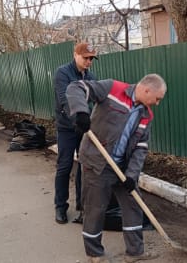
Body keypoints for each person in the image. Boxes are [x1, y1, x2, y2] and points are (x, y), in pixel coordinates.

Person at [66, 74, 167, 263]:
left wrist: (131, 176)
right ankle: (95, 254)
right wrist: (81, 112)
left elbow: (140, 149)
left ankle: (135, 252)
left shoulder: (146, 115)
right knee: (95, 209)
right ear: (147, 90)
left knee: (133, 206)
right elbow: (77, 87)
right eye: (157, 98)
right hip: (97, 162)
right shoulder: (112, 89)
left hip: (122, 168)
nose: (157, 103)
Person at [53, 42, 97, 224]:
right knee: (64, 166)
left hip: (84, 127)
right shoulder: (62, 73)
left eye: (91, 58)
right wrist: (77, 120)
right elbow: (65, 100)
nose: (88, 61)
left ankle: (82, 206)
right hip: (66, 127)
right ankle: (60, 207)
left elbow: (95, 99)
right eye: (85, 57)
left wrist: (92, 121)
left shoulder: (90, 76)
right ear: (75, 55)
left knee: (84, 166)